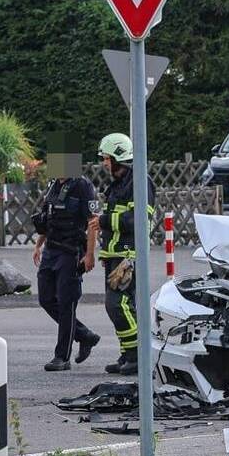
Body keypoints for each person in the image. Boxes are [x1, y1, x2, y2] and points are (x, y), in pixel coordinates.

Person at [31, 155, 99, 372]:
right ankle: (84, 335)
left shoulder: (83, 186)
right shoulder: (53, 185)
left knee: (67, 303)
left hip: (71, 252)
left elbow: (92, 222)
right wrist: (38, 245)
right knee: (46, 299)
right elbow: (47, 217)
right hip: (51, 249)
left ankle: (62, 357)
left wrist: (89, 254)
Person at [96, 133, 154, 376]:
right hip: (114, 256)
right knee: (121, 306)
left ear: (119, 157)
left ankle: (137, 356)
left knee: (118, 305)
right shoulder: (118, 183)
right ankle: (128, 354)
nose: (104, 163)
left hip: (128, 256)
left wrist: (103, 220)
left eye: (107, 158)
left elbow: (137, 220)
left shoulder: (140, 181)